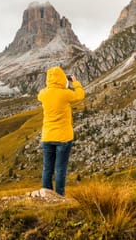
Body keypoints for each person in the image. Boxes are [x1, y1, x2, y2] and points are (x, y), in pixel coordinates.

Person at [37, 66, 85, 197]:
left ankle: (46, 196)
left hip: (47, 136)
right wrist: (74, 82)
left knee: (47, 168)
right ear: (62, 78)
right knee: (60, 169)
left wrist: (51, 85)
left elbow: (40, 93)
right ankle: (59, 197)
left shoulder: (43, 94)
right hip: (63, 137)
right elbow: (80, 95)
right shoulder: (65, 94)